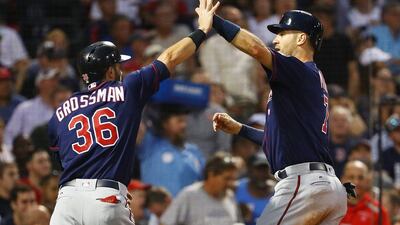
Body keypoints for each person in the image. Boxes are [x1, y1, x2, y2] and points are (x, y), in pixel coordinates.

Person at [47, 0, 220, 224]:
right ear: (110, 71)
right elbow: (169, 58)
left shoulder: (60, 111)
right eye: (118, 66)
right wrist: (202, 30)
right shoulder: (128, 87)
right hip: (106, 196)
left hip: (66, 200)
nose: (121, 70)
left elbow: (59, 162)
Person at [209, 5, 348, 224]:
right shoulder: (309, 77)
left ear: (301, 38)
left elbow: (256, 49)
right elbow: (280, 141)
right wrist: (240, 129)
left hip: (303, 184)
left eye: (282, 34)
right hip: (328, 189)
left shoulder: (299, 69)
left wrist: (214, 21)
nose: (276, 40)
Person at [160, 153, 242, 225]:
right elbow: (165, 222)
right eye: (227, 178)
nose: (231, 183)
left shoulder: (230, 196)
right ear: (211, 175)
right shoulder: (189, 195)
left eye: (233, 179)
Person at [340, 160, 391, 225]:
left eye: (361, 178)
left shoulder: (378, 212)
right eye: (351, 177)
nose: (356, 182)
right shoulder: (333, 208)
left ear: (367, 181)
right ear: (343, 179)